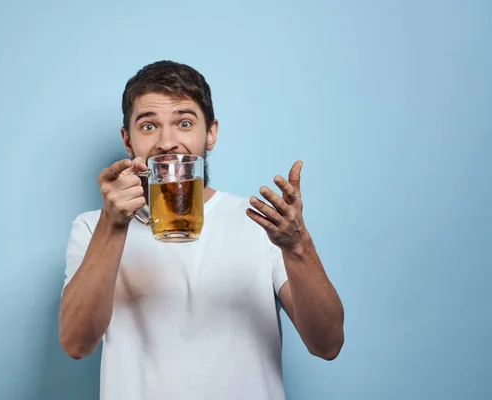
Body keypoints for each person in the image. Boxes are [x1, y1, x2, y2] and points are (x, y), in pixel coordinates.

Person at [59, 60, 345, 400]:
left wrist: (298, 246)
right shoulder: (94, 228)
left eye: (184, 123)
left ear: (210, 133)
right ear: (128, 140)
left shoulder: (259, 223)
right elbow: (76, 344)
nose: (168, 142)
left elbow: (327, 344)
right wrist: (113, 225)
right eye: (148, 126)